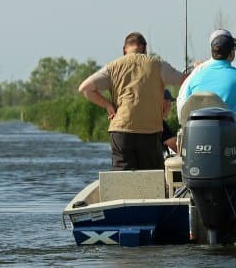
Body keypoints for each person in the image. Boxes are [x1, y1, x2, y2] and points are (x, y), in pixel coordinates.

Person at [78, 32, 184, 170]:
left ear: (124, 50)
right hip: (150, 131)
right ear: (145, 49)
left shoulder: (113, 66)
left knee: (123, 177)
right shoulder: (158, 64)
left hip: (121, 130)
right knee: (151, 175)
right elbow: (183, 80)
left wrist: (108, 105)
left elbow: (85, 88)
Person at [176, 29, 236, 186]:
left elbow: (183, 114)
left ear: (212, 52)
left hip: (196, 139)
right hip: (229, 138)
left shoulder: (195, 76)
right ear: (231, 53)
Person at [161, 89, 178, 155]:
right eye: (170, 102)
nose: (171, 106)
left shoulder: (148, 120)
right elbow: (175, 146)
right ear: (164, 103)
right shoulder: (160, 123)